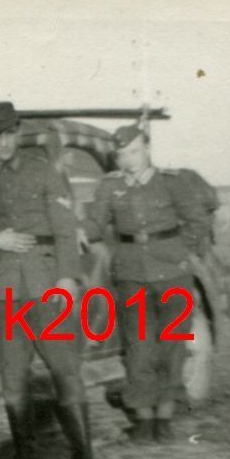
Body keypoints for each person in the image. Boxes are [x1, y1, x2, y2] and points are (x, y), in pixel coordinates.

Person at [0, 101, 107, 459]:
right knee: (13, 376)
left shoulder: (42, 172)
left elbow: (66, 229)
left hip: (46, 285)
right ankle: (25, 455)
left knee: (65, 370)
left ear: (17, 133)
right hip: (2, 293)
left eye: (8, 134)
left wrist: (68, 279)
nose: (3, 143)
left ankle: (83, 455)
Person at [82, 123, 210, 442]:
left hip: (172, 273)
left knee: (171, 346)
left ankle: (164, 418)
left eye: (135, 151)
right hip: (130, 275)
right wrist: (80, 232)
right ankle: (143, 418)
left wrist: (185, 253)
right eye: (122, 154)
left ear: (148, 149)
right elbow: (96, 222)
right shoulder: (110, 187)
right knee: (139, 349)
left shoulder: (172, 182)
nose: (129, 159)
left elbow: (197, 220)